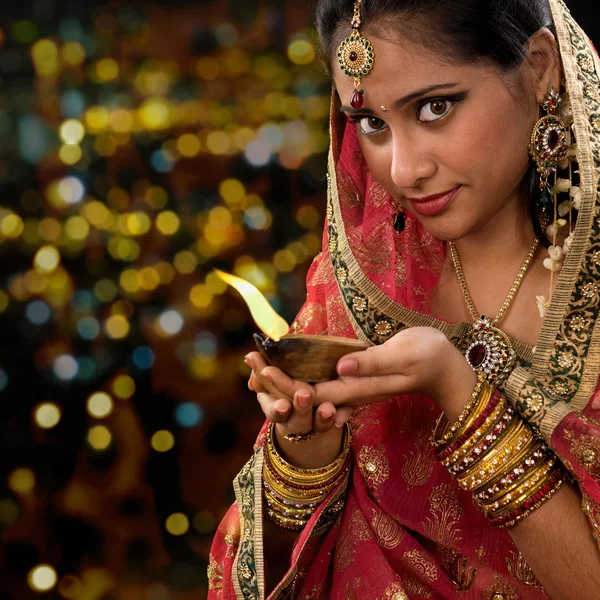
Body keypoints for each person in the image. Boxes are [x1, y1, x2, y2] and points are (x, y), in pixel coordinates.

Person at [208, 0, 600, 598]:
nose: (404, 168)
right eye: (370, 124)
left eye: (435, 107)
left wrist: (460, 393)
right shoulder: (362, 288)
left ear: (540, 67)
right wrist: (306, 449)